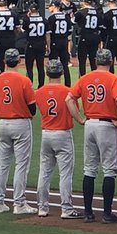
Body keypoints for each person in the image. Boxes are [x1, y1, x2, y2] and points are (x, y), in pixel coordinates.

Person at [71, 48, 117, 222]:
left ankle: (88, 212)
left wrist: (80, 119)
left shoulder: (85, 78)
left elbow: (69, 99)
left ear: (95, 61)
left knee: (89, 169)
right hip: (106, 125)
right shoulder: (114, 79)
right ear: (111, 62)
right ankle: (107, 213)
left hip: (90, 124)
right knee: (109, 169)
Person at [0, 48, 36, 214]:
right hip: (20, 124)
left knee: (2, 165)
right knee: (21, 165)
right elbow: (32, 109)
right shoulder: (24, 80)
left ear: (4, 61)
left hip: (3, 124)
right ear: (19, 61)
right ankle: (19, 203)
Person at [35, 60, 79, 219]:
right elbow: (74, 109)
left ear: (47, 73)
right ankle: (66, 208)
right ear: (61, 73)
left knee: (44, 172)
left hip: (46, 133)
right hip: (63, 134)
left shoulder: (39, 92)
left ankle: (42, 207)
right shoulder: (68, 91)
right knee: (65, 173)